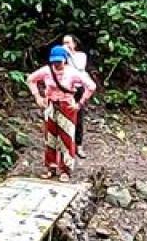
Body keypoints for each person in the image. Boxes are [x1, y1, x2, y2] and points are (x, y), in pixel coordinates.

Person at [26, 45, 97, 179]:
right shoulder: (47, 71)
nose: (57, 64)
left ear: (65, 60)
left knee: (66, 138)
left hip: (67, 106)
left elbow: (91, 86)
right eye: (54, 61)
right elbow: (31, 79)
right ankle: (51, 167)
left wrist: (80, 103)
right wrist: (37, 97)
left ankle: (66, 170)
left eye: (59, 61)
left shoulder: (72, 73)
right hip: (51, 105)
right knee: (50, 137)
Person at [62, 34, 90, 158]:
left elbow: (79, 68)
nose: (66, 46)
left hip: (78, 88)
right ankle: (66, 145)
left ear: (74, 44)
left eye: (68, 43)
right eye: (64, 43)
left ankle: (78, 145)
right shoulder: (62, 57)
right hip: (66, 89)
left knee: (78, 115)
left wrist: (69, 55)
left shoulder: (81, 56)